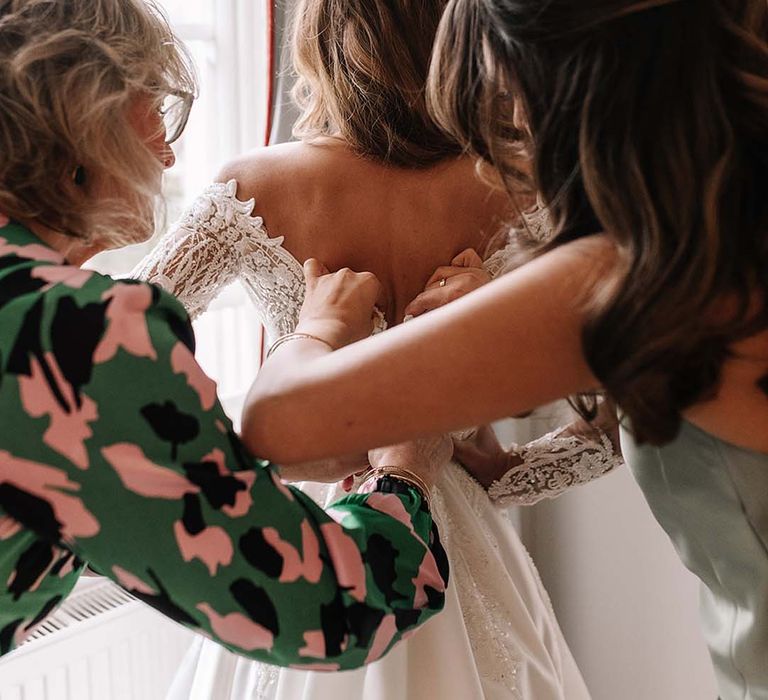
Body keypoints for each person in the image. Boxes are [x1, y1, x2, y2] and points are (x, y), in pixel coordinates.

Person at [240, 1, 768, 698]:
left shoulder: (631, 277)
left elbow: (279, 419)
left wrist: (319, 328)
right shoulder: (728, 239)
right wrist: (504, 462)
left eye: (497, 95)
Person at [133, 1, 623, 697]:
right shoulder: (522, 191)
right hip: (454, 529)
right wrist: (505, 473)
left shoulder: (252, 187)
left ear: (322, 44)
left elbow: (108, 346)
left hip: (307, 533)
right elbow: (624, 420)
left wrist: (233, 465)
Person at [0, 0, 451, 669]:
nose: (169, 146)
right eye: (157, 99)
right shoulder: (80, 336)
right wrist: (406, 466)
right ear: (85, 107)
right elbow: (331, 608)